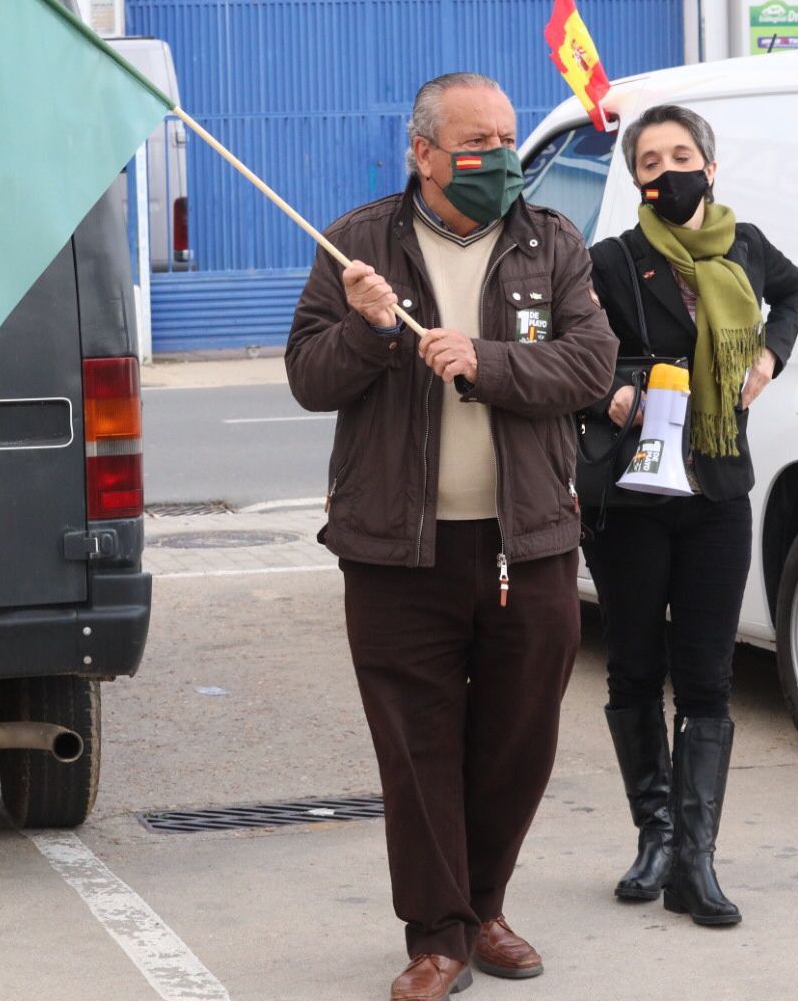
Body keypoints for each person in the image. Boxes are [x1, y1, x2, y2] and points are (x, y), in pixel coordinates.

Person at [285, 71, 617, 1001]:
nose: (502, 159)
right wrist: (373, 332)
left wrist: (488, 362)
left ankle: (484, 905)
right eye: (480, 143)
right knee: (417, 742)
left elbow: (588, 364)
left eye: (510, 139)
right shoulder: (355, 244)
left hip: (530, 541)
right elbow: (309, 377)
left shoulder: (550, 243)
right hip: (397, 549)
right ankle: (437, 936)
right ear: (423, 153)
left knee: (519, 739)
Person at [583, 104, 798, 927]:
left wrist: (771, 353)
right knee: (637, 668)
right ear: (636, 177)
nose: (669, 169)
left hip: (717, 488)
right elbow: (576, 343)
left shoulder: (745, 248)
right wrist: (606, 385)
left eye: (683, 154)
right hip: (633, 497)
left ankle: (696, 864)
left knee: (709, 679)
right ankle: (655, 835)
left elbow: (794, 291)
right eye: (652, 159)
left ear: (711, 168)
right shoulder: (611, 260)